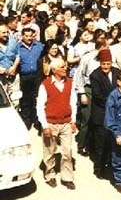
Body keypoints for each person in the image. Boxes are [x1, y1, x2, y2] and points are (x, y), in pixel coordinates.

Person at [36, 58, 77, 189]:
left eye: (65, 66)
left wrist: (73, 120)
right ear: (54, 70)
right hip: (51, 123)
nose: (65, 69)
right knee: (49, 151)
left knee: (67, 151)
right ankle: (50, 175)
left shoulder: (70, 83)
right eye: (62, 67)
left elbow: (73, 103)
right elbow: (40, 106)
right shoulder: (45, 85)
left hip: (65, 122)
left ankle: (67, 177)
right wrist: (44, 125)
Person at [89, 48, 119, 179]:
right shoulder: (95, 75)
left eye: (108, 63)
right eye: (103, 64)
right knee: (100, 143)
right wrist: (115, 101)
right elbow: (98, 95)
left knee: (112, 141)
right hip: (101, 113)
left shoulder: (117, 72)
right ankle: (99, 169)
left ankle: (111, 165)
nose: (106, 66)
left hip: (116, 114)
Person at [18, 27, 44, 130]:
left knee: (37, 99)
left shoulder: (39, 46)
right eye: (26, 36)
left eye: (30, 36)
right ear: (22, 36)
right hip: (24, 77)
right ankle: (27, 121)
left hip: (37, 76)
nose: (29, 38)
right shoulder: (18, 47)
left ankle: (37, 121)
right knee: (25, 100)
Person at [0, 23, 21, 107]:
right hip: (1, 77)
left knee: (16, 100)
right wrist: (3, 70)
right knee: (3, 101)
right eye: (3, 33)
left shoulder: (13, 41)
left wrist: (14, 67)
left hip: (13, 75)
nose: (6, 35)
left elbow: (18, 56)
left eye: (7, 32)